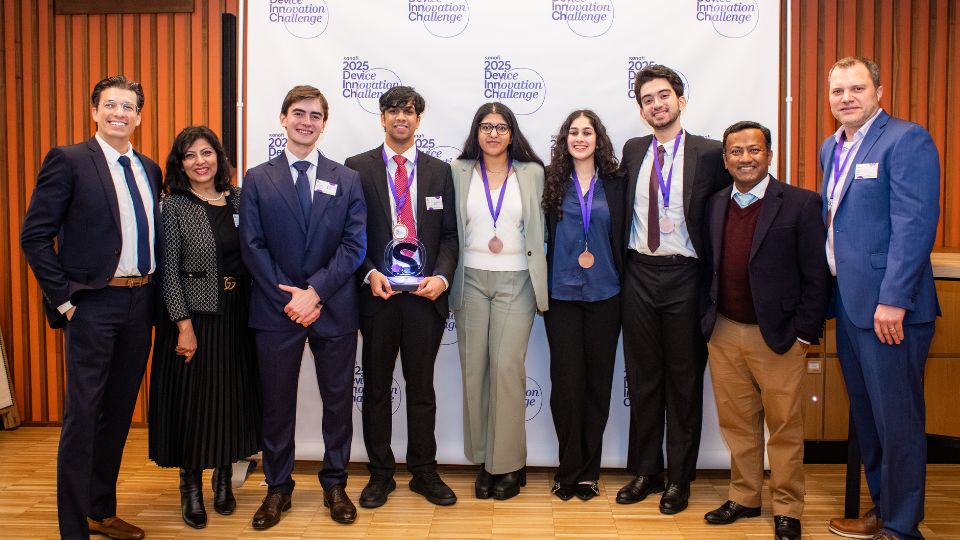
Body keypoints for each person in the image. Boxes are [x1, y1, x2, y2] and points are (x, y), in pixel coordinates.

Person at [20, 75, 160, 540]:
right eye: (111, 105)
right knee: (83, 416)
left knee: (118, 414)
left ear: (139, 117)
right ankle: (72, 527)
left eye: (129, 107)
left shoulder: (149, 168)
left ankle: (101, 511)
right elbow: (35, 236)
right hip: (92, 304)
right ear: (95, 112)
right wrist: (65, 300)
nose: (120, 113)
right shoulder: (69, 160)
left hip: (140, 302)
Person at [820, 57, 940, 540]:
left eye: (857, 88)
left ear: (879, 91)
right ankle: (883, 508)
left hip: (891, 311)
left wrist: (894, 299)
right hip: (850, 307)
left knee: (898, 422)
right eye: (838, 91)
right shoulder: (832, 147)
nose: (846, 98)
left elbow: (914, 225)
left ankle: (902, 527)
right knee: (869, 419)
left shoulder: (906, 140)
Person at [239, 85, 367, 528]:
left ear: (324, 124)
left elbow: (354, 245)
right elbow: (252, 245)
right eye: (298, 113)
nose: (306, 122)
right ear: (283, 118)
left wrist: (315, 292)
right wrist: (291, 298)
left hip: (333, 308)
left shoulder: (346, 178)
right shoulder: (258, 178)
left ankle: (335, 484)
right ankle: (277, 488)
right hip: (276, 311)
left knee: (338, 403)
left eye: (315, 115)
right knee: (276, 405)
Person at [700, 121, 829, 540]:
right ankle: (745, 496)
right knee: (737, 424)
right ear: (725, 160)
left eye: (754, 150)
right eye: (736, 152)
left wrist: (805, 332)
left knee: (785, 426)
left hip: (778, 335)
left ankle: (788, 508)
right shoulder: (715, 203)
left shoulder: (801, 204)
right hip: (725, 330)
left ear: (769, 155)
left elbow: (817, 275)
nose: (745, 158)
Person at [616, 64, 731, 514]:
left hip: (687, 277)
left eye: (663, 96)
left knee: (684, 382)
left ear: (680, 100)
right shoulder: (632, 151)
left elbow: (726, 215)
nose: (656, 105)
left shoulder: (710, 153)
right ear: (641, 110)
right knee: (643, 379)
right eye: (647, 99)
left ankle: (680, 479)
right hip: (638, 274)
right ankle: (647, 471)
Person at [344, 86, 459, 508]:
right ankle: (380, 474)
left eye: (408, 111)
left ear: (418, 119)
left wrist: (442, 278)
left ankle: (424, 471)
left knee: (422, 387)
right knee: (376, 388)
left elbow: (450, 236)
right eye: (392, 111)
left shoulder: (439, 171)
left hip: (425, 298)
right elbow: (349, 234)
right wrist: (369, 272)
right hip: (379, 296)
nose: (400, 118)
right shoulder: (356, 168)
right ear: (382, 118)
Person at [148, 126, 261, 529]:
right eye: (190, 155)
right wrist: (183, 325)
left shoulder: (239, 197)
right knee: (194, 403)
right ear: (180, 164)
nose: (200, 161)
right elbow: (168, 272)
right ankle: (191, 486)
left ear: (219, 156)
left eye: (207, 152)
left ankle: (224, 479)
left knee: (231, 399)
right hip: (194, 317)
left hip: (238, 313)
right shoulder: (174, 206)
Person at [449, 102, 548, 501]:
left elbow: (543, 227)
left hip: (517, 280)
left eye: (501, 127)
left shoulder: (532, 172)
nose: (493, 134)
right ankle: (484, 459)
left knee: (506, 369)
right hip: (469, 279)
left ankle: (507, 464)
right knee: (475, 370)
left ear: (512, 133)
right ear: (476, 131)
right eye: (486, 126)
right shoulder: (457, 171)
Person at [541, 110, 625, 501]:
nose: (579, 138)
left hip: (606, 294)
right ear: (565, 139)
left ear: (598, 139)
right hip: (560, 296)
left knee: (597, 385)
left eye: (587, 132)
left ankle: (589, 472)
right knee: (566, 386)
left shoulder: (616, 183)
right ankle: (567, 470)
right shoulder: (550, 180)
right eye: (573, 132)